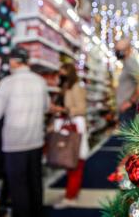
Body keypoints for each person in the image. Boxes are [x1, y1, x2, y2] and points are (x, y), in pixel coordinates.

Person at [0, 47, 49, 217]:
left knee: (18, 185)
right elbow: (46, 107)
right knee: (35, 182)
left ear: (14, 61)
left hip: (15, 143)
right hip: (36, 140)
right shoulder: (40, 81)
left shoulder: (7, 83)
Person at [53, 63, 89, 208]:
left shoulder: (75, 87)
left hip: (75, 128)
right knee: (70, 161)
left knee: (75, 162)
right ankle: (72, 191)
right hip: (69, 127)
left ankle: (71, 196)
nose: (60, 74)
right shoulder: (66, 86)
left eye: (62, 71)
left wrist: (64, 109)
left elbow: (81, 108)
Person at [115, 39, 139, 125]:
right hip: (126, 109)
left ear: (128, 49)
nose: (118, 52)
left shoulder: (130, 62)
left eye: (120, 50)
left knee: (126, 136)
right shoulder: (126, 63)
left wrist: (130, 102)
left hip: (128, 110)